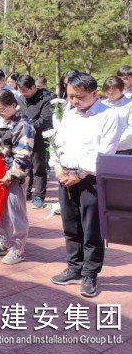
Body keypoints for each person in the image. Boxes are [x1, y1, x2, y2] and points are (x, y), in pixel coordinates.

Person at [50, 73, 123, 297]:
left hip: (91, 179)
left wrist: (81, 173)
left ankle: (90, 273)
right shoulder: (69, 115)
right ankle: (74, 267)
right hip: (65, 175)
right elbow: (57, 143)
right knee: (70, 226)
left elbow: (106, 152)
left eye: (79, 97)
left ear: (94, 94)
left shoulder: (108, 116)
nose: (74, 101)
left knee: (91, 229)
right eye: (70, 96)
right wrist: (57, 166)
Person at [0, 89, 34, 265]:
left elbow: (23, 155)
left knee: (16, 212)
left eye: (2, 109)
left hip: (15, 176)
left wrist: (10, 175)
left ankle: (18, 248)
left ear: (13, 105)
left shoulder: (23, 125)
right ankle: (3, 241)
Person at [16, 74, 55, 208]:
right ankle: (26, 191)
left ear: (33, 87)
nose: (23, 94)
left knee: (38, 166)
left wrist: (28, 127)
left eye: (25, 91)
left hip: (39, 137)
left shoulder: (47, 98)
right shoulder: (21, 99)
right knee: (25, 166)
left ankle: (39, 195)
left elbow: (45, 119)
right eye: (20, 91)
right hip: (24, 137)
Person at [102, 76, 132, 155]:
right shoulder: (103, 104)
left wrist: (115, 142)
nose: (111, 95)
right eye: (108, 93)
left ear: (122, 90)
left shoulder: (130, 104)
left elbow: (130, 128)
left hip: (124, 148)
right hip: (104, 147)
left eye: (114, 93)